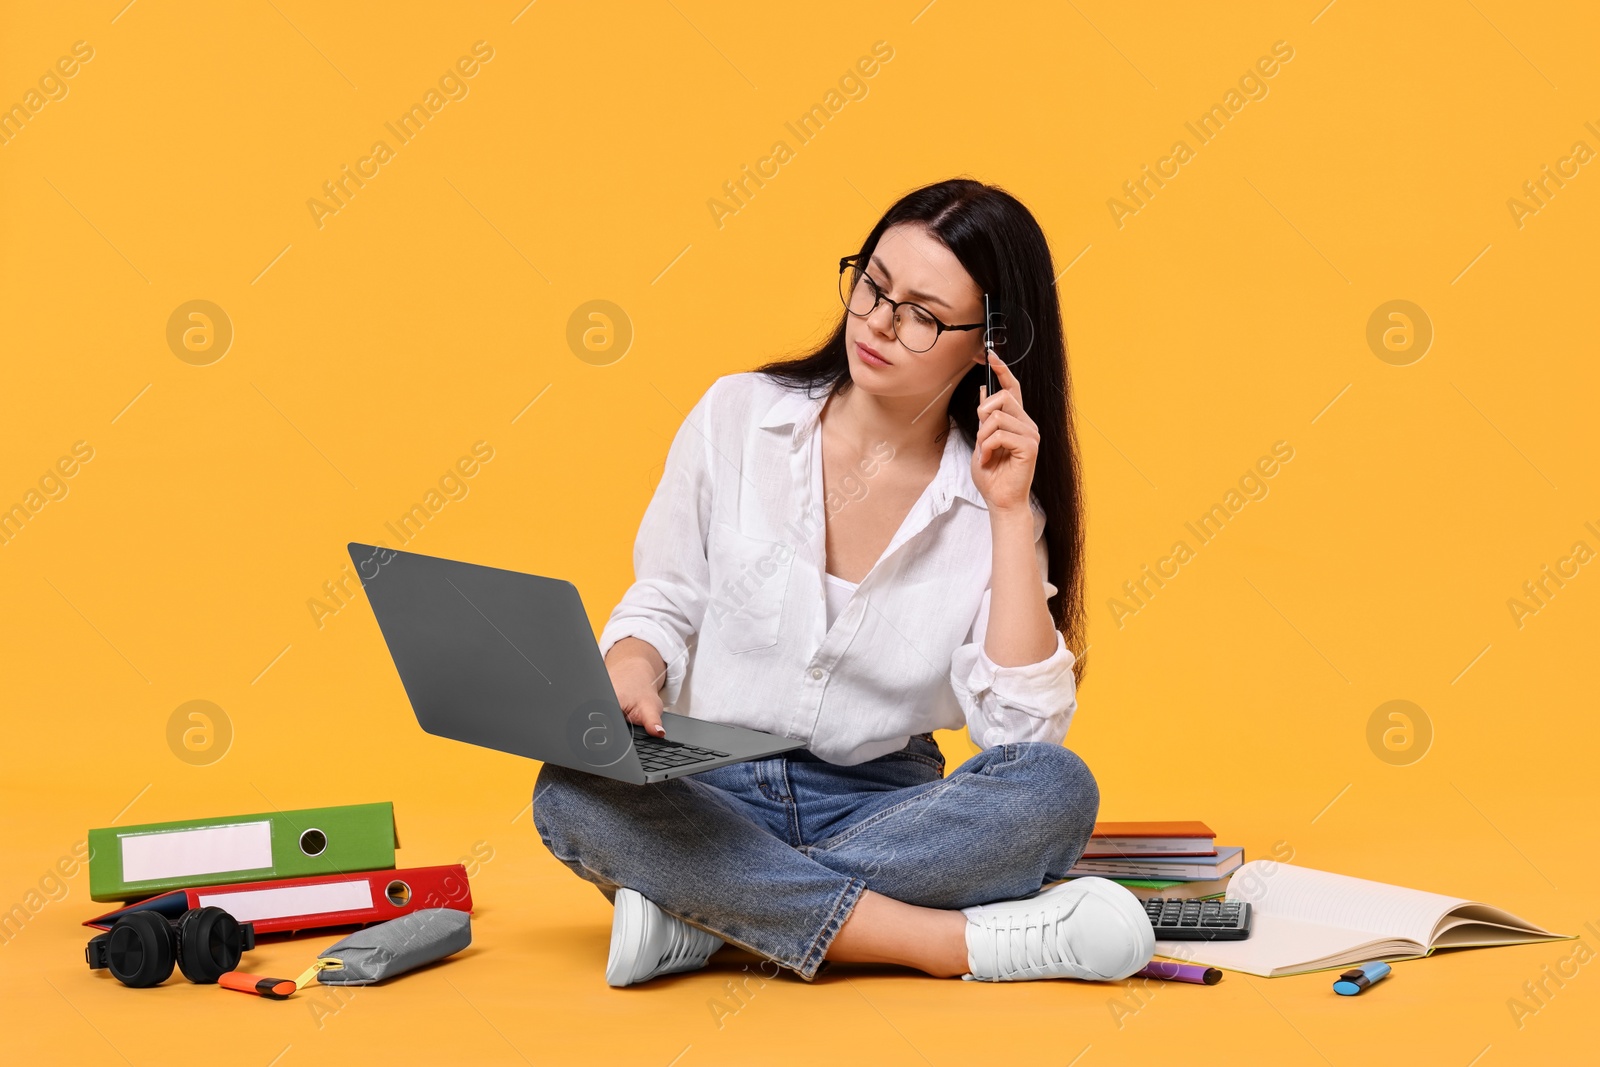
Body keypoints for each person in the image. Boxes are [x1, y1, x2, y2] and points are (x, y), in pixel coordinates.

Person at [533, 178, 1155, 987]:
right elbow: (665, 597)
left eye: (923, 314)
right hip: (705, 786)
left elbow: (1022, 739)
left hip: (882, 804)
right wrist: (629, 668)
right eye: (872, 285)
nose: (879, 324)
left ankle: (706, 912)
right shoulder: (737, 416)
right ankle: (948, 944)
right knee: (569, 788)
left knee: (1054, 790)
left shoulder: (995, 498)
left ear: (988, 341)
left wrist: (1006, 512)